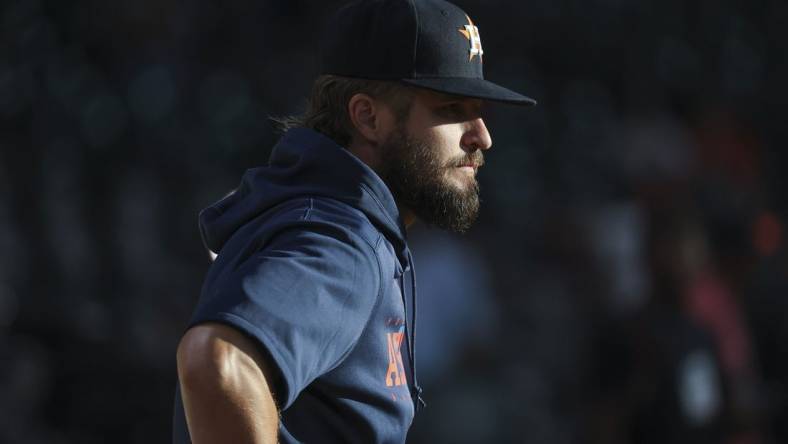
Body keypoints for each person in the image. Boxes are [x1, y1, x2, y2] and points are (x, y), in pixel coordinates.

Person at [172, 0, 535, 442]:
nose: (482, 136)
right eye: (451, 108)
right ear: (368, 117)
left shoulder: (323, 214)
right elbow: (216, 360)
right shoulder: (343, 241)